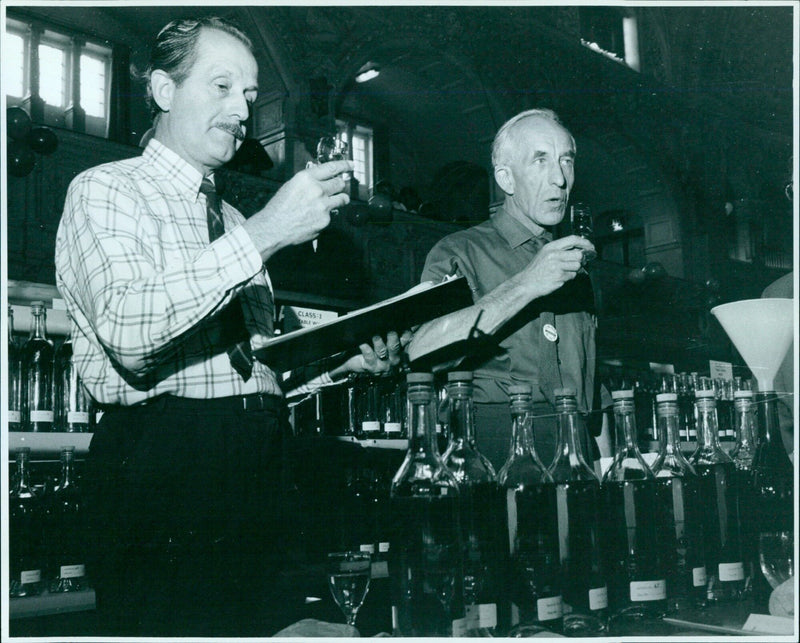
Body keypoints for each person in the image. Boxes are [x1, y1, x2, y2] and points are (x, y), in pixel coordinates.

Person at [54, 16, 405, 636]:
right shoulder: (106, 190)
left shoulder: (234, 218)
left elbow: (251, 370)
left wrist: (343, 362)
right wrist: (266, 233)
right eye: (221, 87)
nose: (242, 110)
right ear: (163, 91)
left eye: (248, 94)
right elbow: (131, 337)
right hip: (163, 472)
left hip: (261, 469)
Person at [408, 108, 603, 471]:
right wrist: (526, 284)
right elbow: (421, 349)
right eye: (540, 160)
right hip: (492, 445)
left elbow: (592, 392)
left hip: (577, 448)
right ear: (506, 179)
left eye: (566, 161)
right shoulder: (459, 251)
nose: (560, 179)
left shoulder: (577, 268)